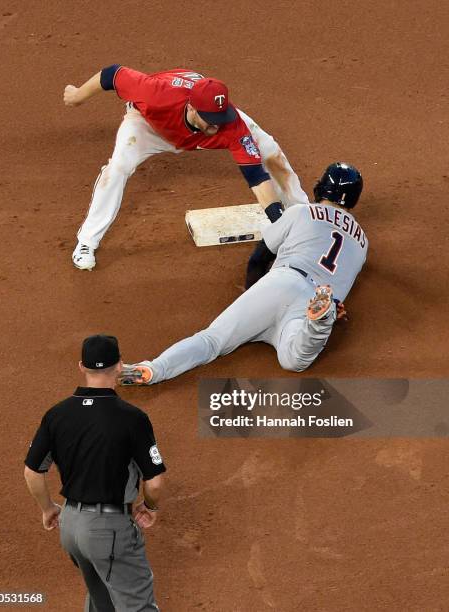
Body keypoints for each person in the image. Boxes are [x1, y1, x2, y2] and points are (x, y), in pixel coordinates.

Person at [118, 163, 368, 384]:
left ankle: (152, 369)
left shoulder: (301, 211)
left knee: (212, 341)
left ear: (321, 187)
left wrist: (253, 296)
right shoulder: (362, 243)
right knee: (293, 361)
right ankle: (319, 322)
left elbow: (259, 258)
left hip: (282, 281)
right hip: (310, 301)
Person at [63, 65, 309, 270]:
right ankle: (87, 241)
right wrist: (77, 95)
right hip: (149, 127)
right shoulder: (155, 94)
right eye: (211, 120)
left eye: (220, 119)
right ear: (192, 108)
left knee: (269, 149)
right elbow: (112, 75)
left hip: (193, 132)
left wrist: (279, 223)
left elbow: (256, 177)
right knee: (117, 168)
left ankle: (304, 214)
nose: (216, 126)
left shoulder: (228, 123)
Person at [24, 335, 166, 611]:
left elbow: (32, 472)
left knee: (102, 601)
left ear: (81, 366)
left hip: (71, 527)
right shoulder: (131, 418)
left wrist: (48, 508)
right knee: (137, 606)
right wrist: (150, 506)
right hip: (108, 531)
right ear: (120, 366)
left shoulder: (57, 415)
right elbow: (155, 482)